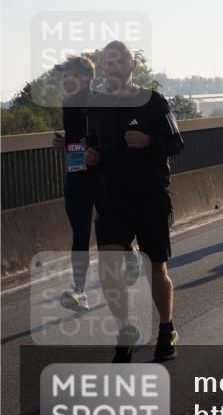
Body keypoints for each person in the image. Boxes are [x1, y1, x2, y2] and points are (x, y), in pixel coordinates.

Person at [84, 41, 184, 363]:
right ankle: (126, 330)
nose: (113, 67)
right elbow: (92, 143)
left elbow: (176, 144)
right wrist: (91, 154)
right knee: (108, 268)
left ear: (133, 65)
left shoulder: (153, 101)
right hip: (113, 199)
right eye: (108, 62)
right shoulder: (96, 105)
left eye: (119, 61)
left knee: (156, 267)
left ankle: (167, 328)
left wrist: (148, 141)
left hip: (150, 196)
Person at [51, 56, 110, 311]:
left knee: (110, 231)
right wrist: (64, 143)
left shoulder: (100, 101)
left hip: (101, 179)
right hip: (76, 178)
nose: (64, 80)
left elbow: (110, 138)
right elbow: (77, 138)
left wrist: (96, 150)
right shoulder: (68, 103)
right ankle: (80, 292)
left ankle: (130, 252)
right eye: (63, 76)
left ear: (85, 78)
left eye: (69, 75)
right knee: (80, 234)